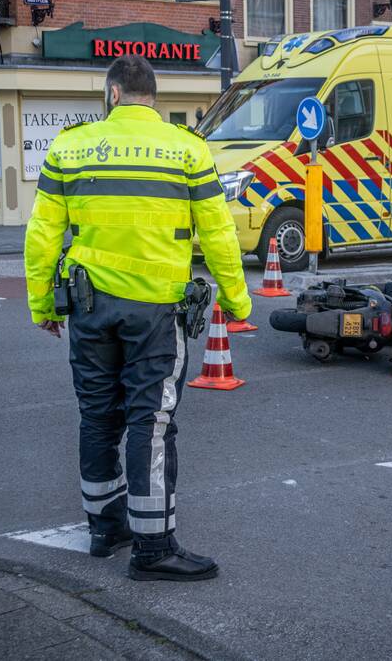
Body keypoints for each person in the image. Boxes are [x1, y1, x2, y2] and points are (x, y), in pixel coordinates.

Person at [23, 55, 251, 581]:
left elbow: (41, 234)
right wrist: (236, 302)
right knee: (151, 420)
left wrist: (42, 303)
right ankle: (153, 547)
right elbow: (217, 234)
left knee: (98, 414)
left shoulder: (71, 147)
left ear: (112, 94)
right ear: (154, 97)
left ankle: (106, 528)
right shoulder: (186, 150)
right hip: (155, 311)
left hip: (88, 306)